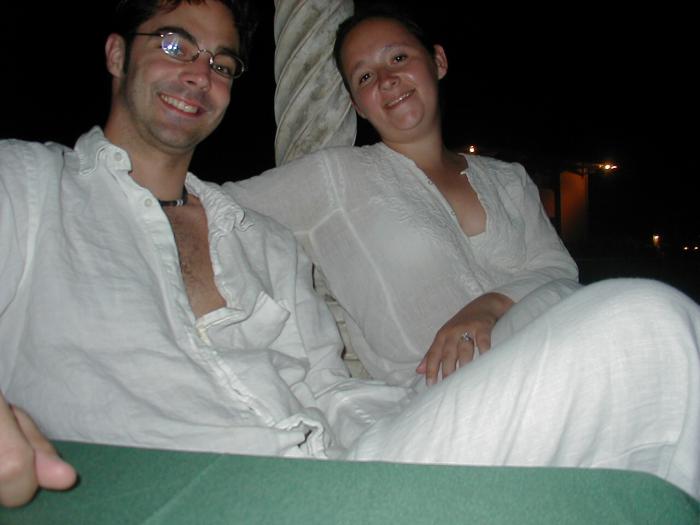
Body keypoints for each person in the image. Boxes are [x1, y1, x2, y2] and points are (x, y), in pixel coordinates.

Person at [2, 0, 700, 510]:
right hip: (259, 473)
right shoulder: (30, 185)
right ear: (116, 53)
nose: (199, 75)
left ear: (437, 63)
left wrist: (395, 424)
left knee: (650, 336)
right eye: (174, 46)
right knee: (646, 325)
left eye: (220, 63)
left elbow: (327, 388)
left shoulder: (255, 239)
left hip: (353, 454)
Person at [226, 4, 581, 387]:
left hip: (553, 360)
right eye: (364, 76)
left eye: (398, 57)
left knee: (623, 306)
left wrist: (489, 306)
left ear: (438, 61)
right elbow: (211, 206)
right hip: (444, 393)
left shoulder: (509, 179)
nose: (386, 79)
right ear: (357, 106)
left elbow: (559, 273)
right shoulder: (335, 177)